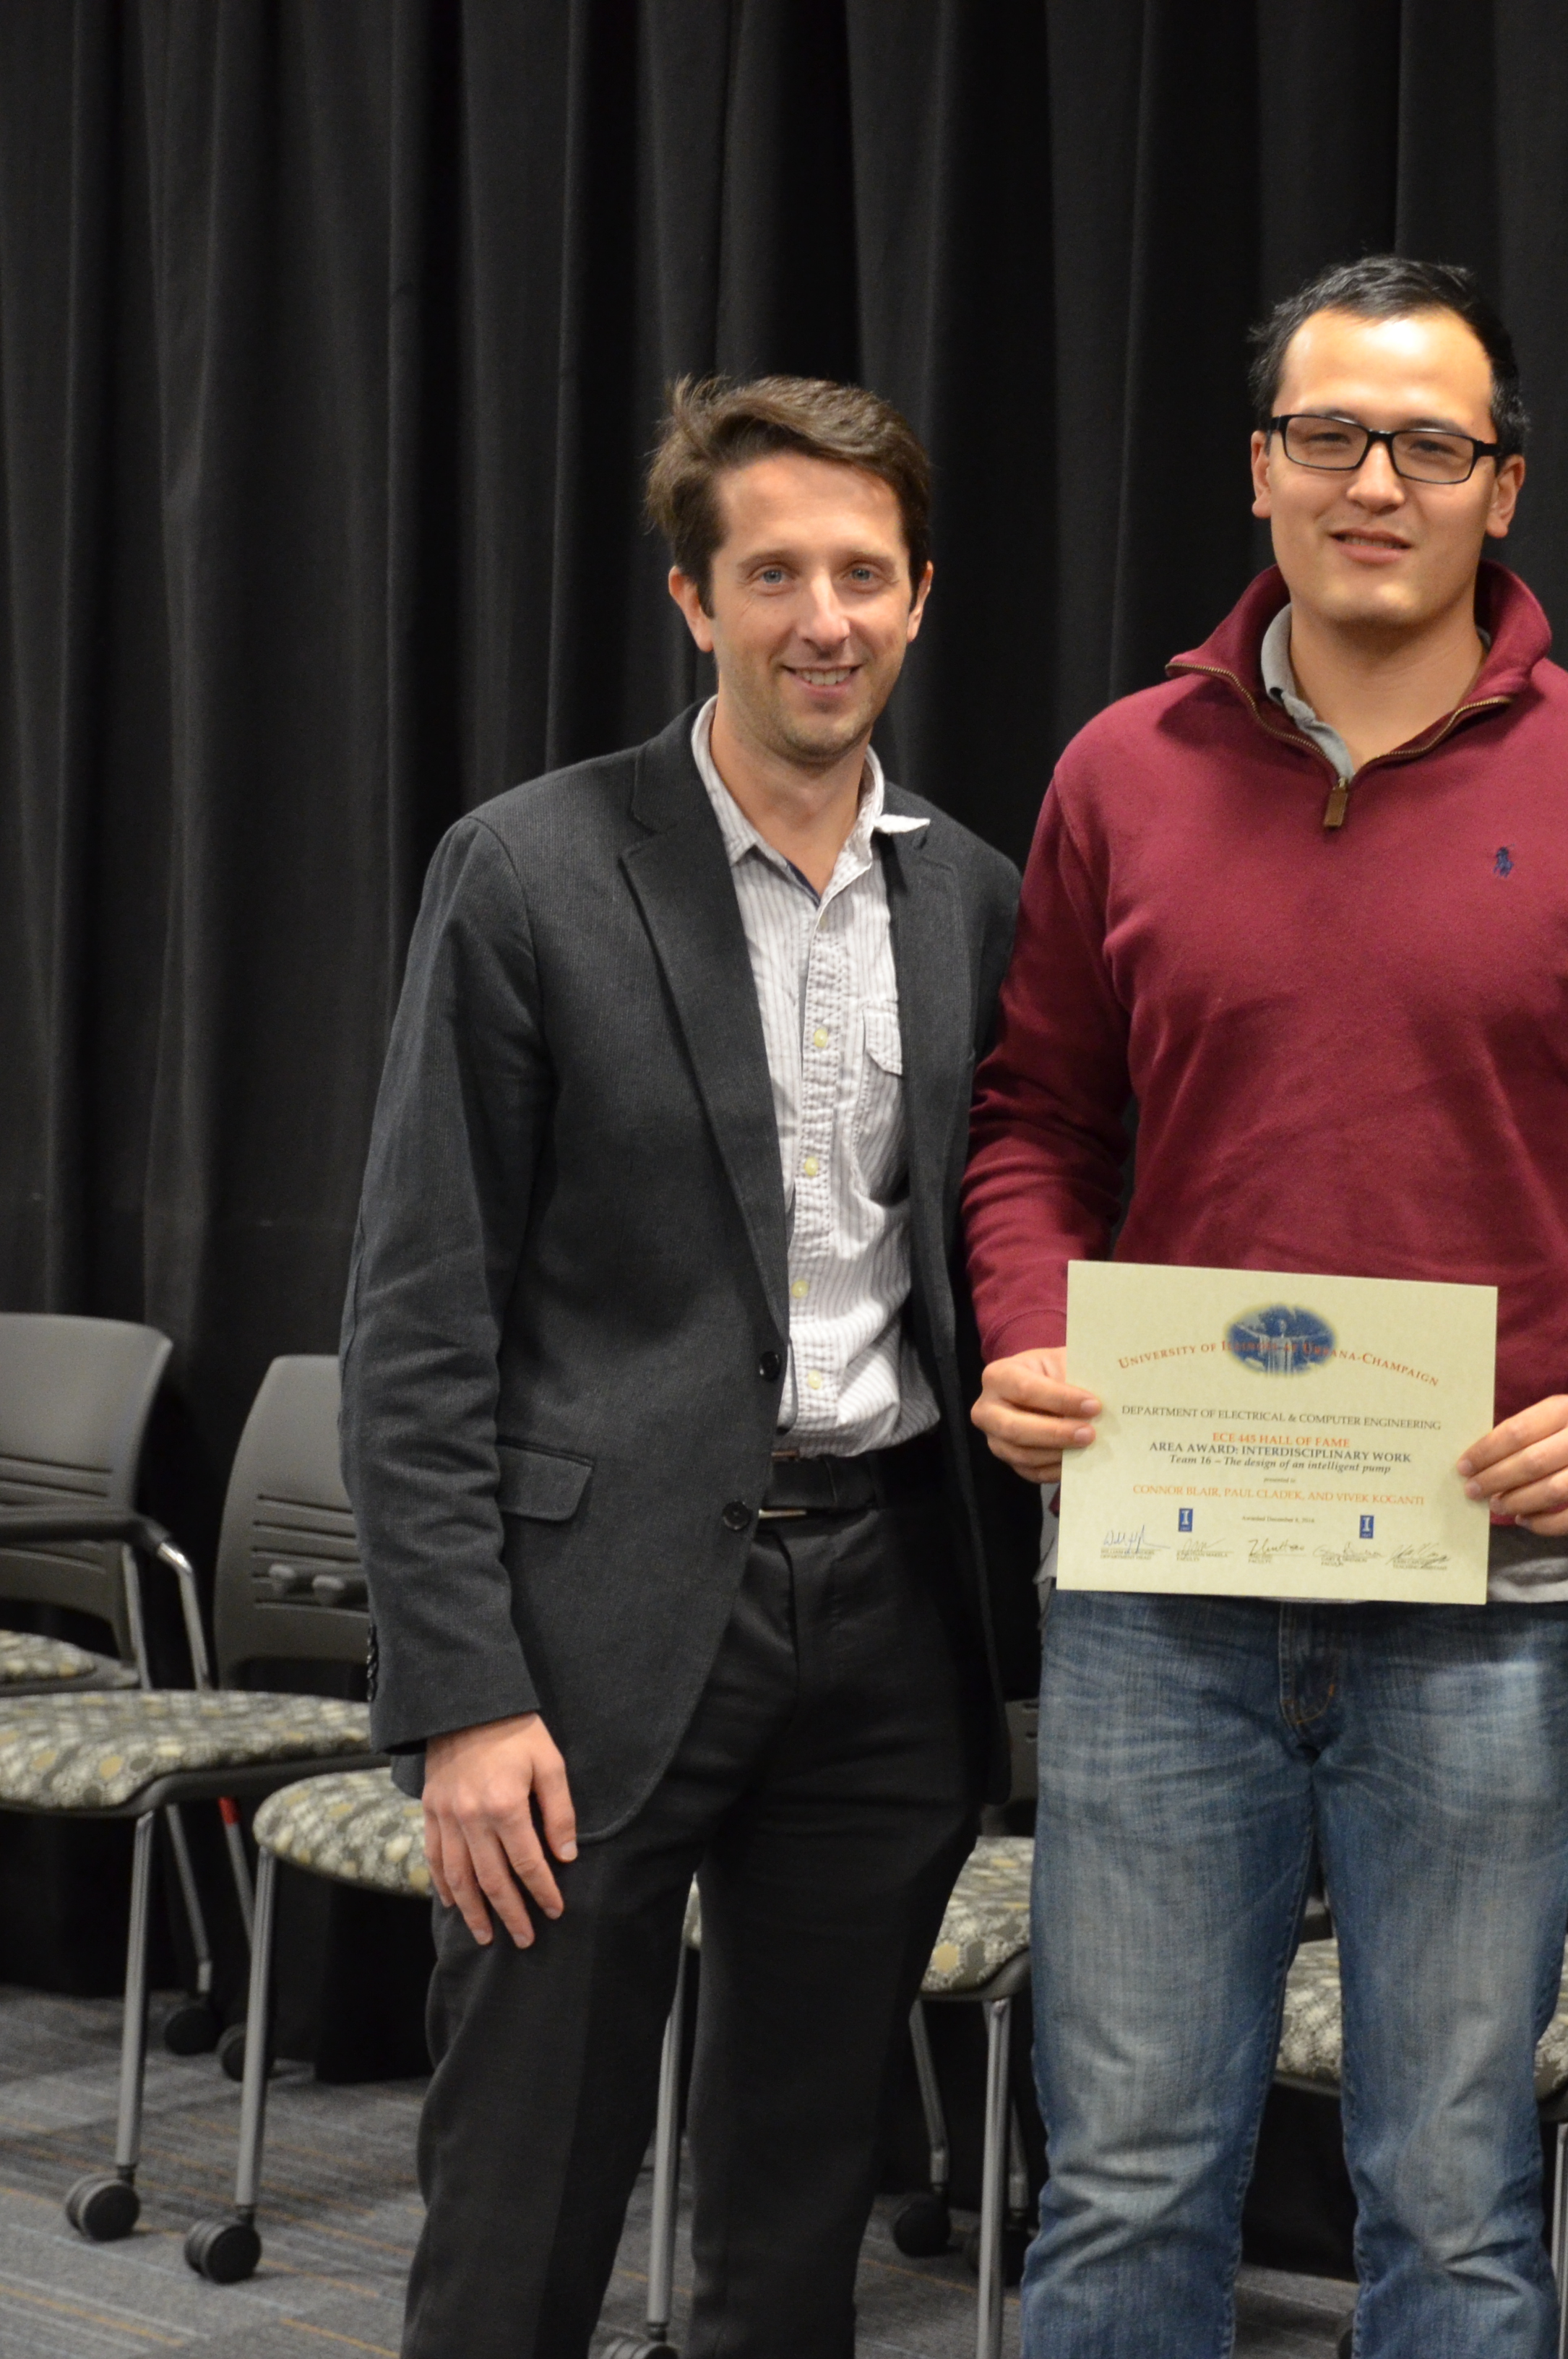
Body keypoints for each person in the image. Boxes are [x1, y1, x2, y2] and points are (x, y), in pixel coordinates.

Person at [962, 254, 1568, 2357]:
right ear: (1261, 471)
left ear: (1502, 485)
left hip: (1497, 1599)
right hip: (1159, 1586)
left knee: (1454, 2195)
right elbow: (1034, 1118)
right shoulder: (1118, 775)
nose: (1375, 481)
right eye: (1330, 435)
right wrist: (1025, 1326)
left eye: (1431, 442)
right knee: (1128, 2178)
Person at [341, 375, 1033, 2356]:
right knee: (522, 2206)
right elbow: (417, 1314)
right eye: (776, 572)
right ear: (692, 599)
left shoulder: (973, 896)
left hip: (892, 1611)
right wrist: (460, 1695)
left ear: (918, 602)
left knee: (801, 2213)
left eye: (864, 574)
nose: (825, 615)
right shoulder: (533, 870)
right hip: (588, 1633)